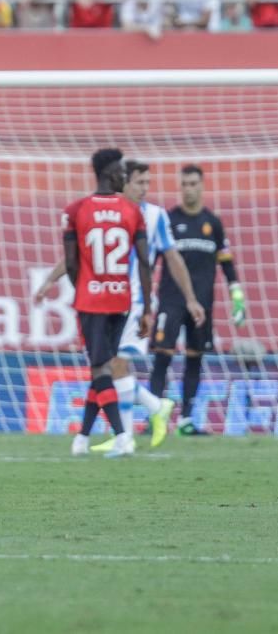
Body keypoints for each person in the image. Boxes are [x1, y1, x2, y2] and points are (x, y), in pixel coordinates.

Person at [36, 160, 205, 452]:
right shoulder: (107, 212)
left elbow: (172, 257)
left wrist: (190, 298)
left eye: (147, 183)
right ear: (123, 183)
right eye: (138, 182)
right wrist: (50, 280)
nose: (144, 189)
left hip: (133, 302)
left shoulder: (154, 216)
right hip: (105, 300)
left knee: (112, 366)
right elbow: (78, 257)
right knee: (103, 366)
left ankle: (140, 419)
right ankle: (89, 437)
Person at [64, 150, 149, 459]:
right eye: (120, 172)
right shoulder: (132, 210)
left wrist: (85, 288)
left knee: (101, 368)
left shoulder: (76, 210)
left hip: (92, 300)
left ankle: (122, 436)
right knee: (103, 367)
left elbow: (72, 264)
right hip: (121, 300)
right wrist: (147, 308)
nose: (123, 177)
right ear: (106, 173)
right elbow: (144, 264)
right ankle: (85, 438)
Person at [149, 165, 245, 435]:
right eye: (184, 184)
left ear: (202, 186)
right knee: (163, 357)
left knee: (194, 358)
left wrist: (236, 292)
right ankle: (154, 418)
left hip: (202, 303)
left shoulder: (212, 223)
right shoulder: (168, 220)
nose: (189, 189)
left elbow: (225, 262)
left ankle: (186, 420)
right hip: (170, 300)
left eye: (193, 183)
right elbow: (153, 259)